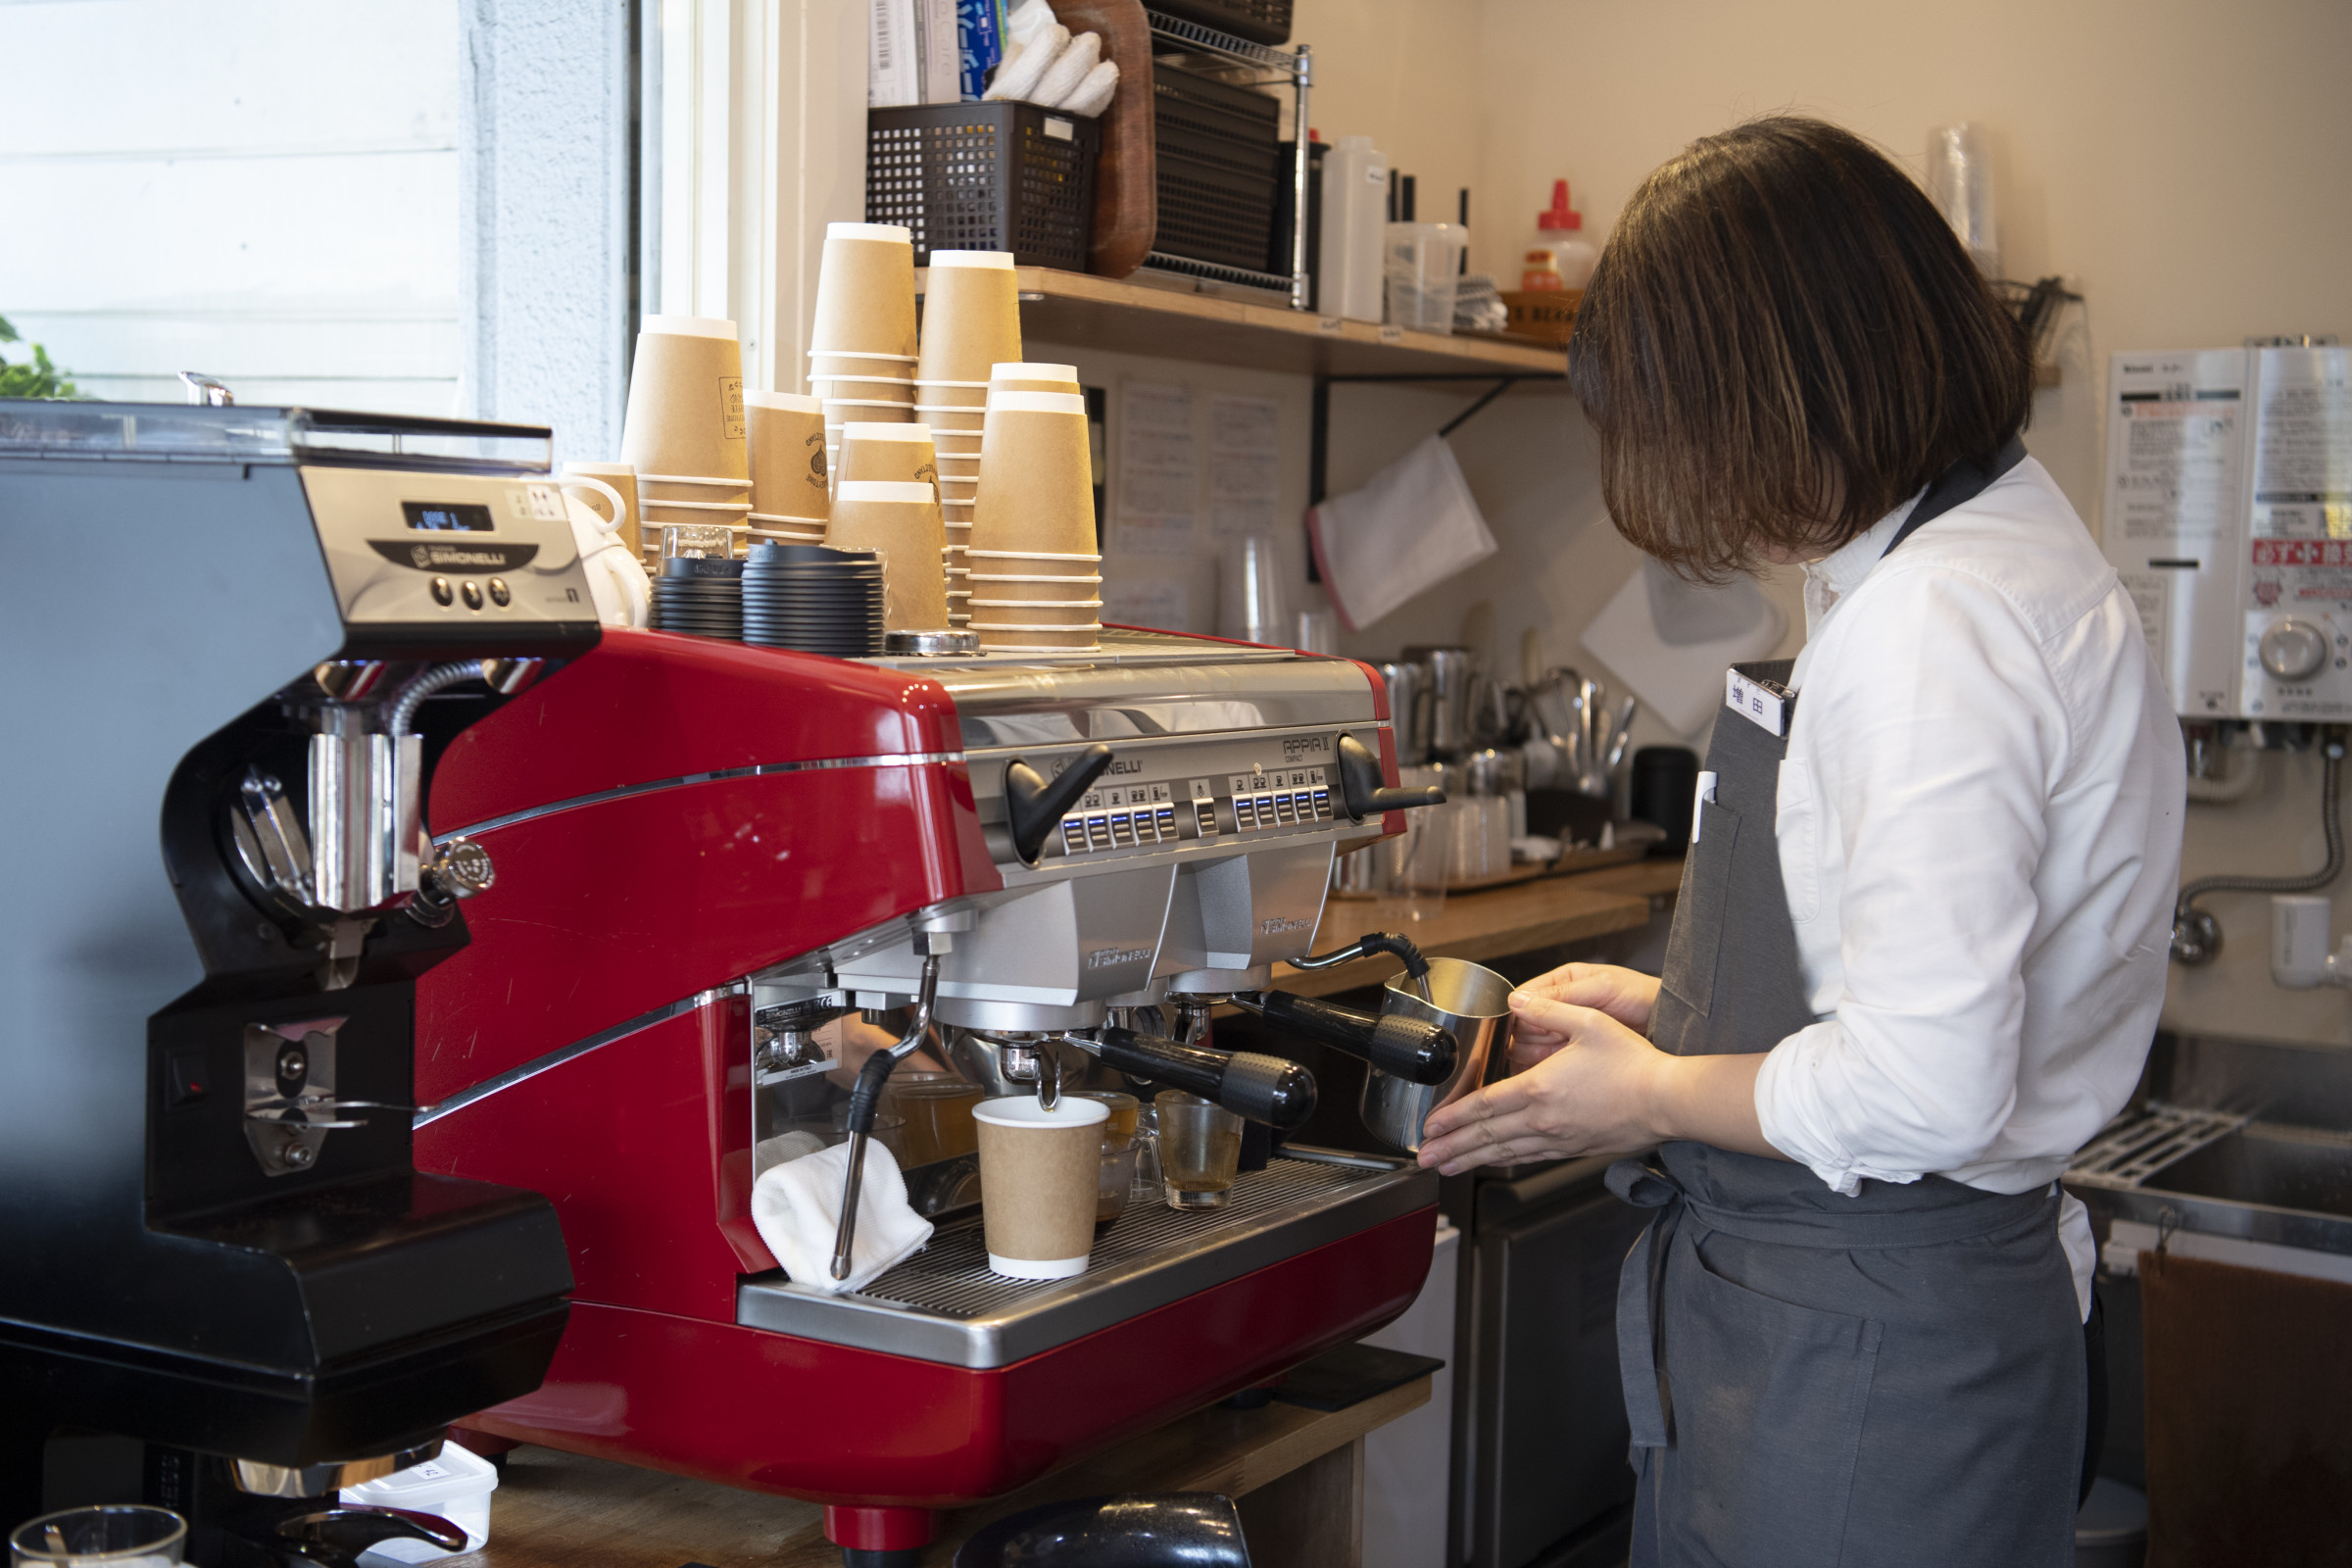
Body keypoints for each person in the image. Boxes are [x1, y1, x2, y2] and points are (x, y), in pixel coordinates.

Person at [1415, 117, 2183, 1568]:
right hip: (1875, 1321)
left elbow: (1932, 1086)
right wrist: (1671, 1017)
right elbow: (1918, 987)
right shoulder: (1990, 556)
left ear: (1777, 388)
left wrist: (1648, 1094)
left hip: (1864, 1349)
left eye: (1678, 425)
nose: (1689, 484)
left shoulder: (1929, 627)